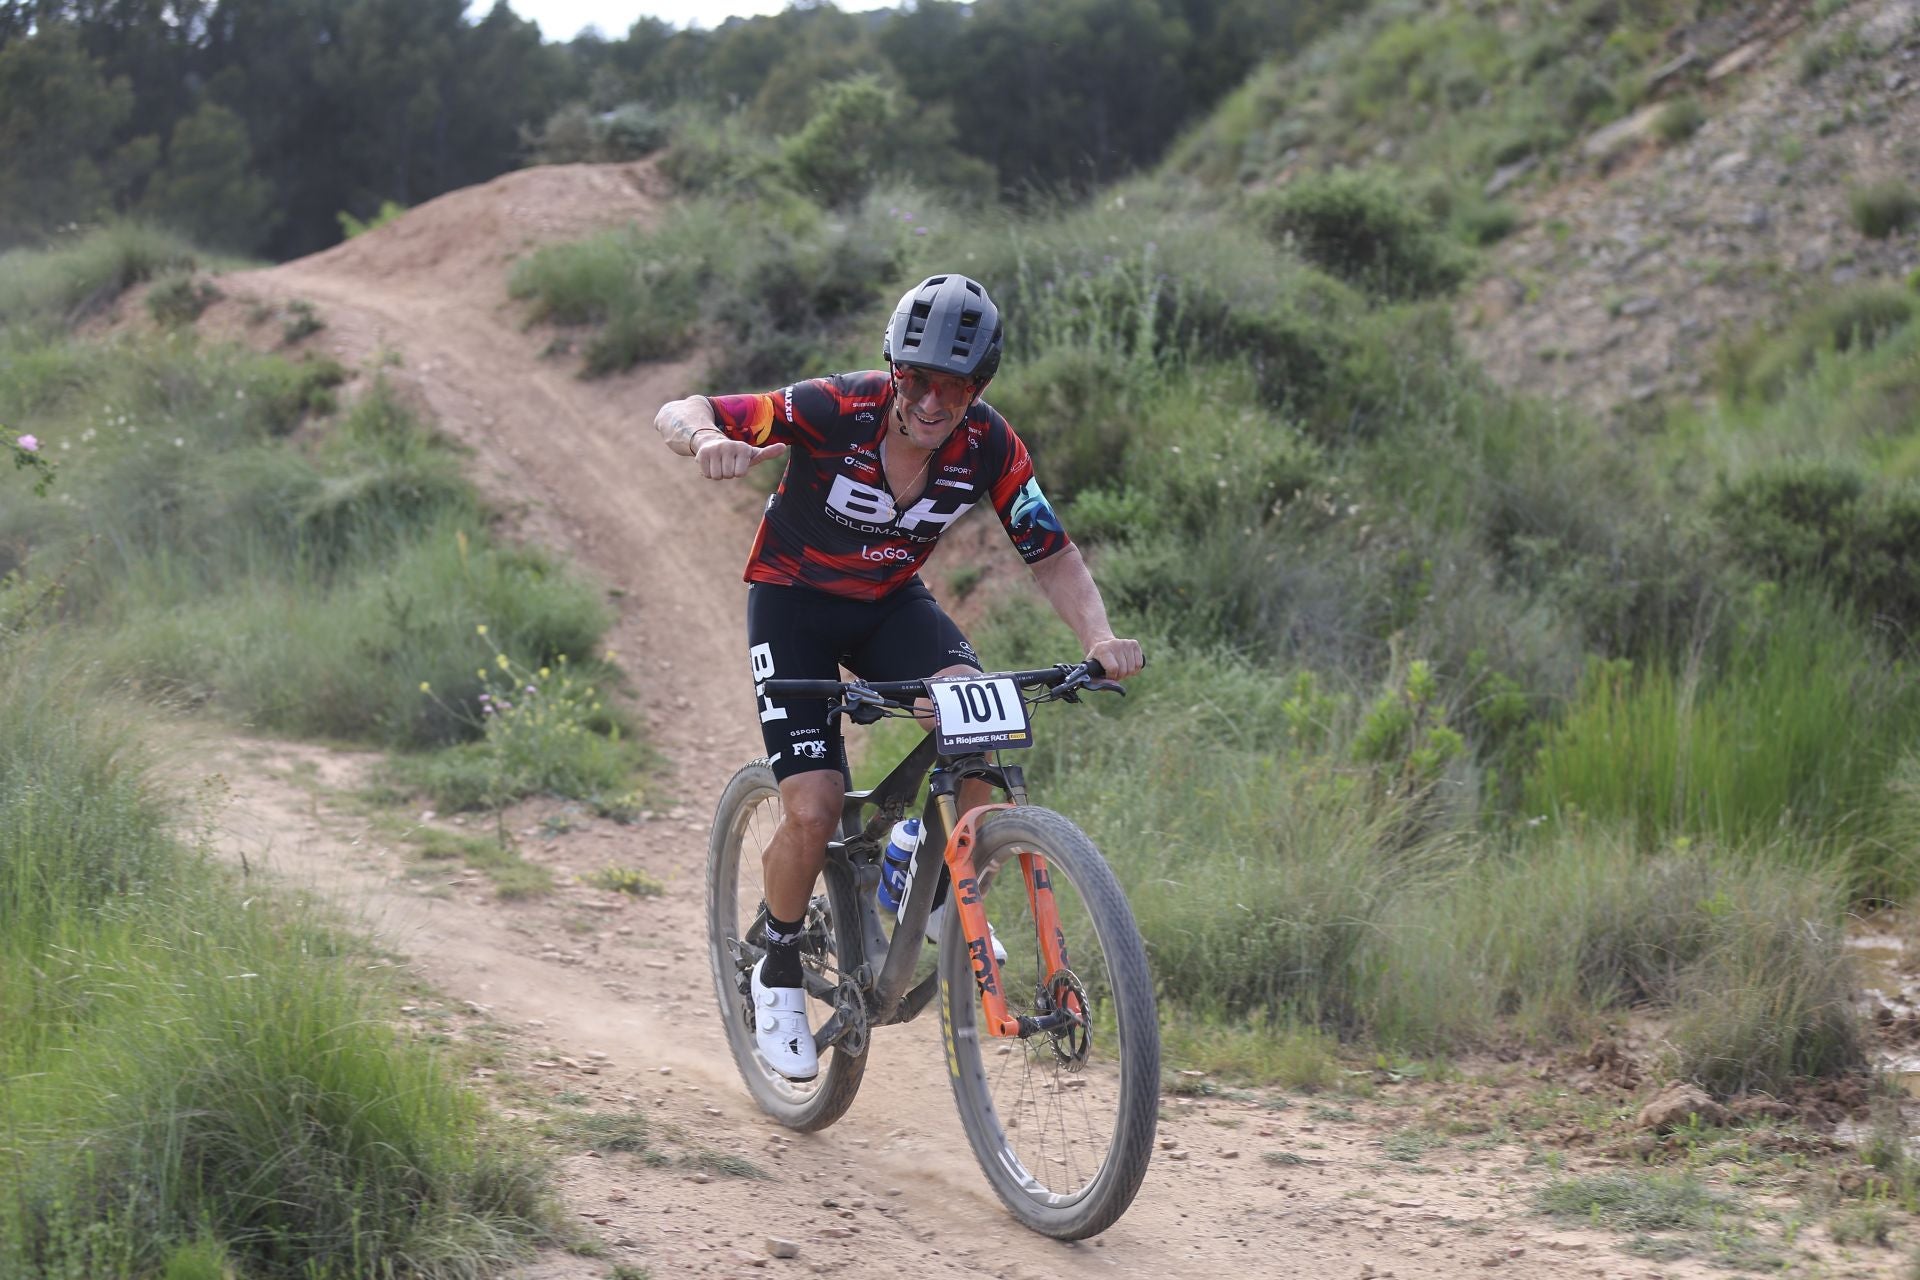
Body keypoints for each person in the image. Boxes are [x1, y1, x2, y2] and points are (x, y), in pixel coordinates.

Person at [652, 273, 1143, 1081]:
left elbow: (1049, 549)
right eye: (916, 379)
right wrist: (706, 440)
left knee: (981, 730)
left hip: (888, 606)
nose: (931, 401)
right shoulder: (830, 407)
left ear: (978, 387)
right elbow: (686, 407)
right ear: (893, 369)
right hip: (793, 605)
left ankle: (936, 883)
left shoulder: (987, 444)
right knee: (810, 807)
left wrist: (1100, 636)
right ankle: (776, 970)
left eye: (956, 386)